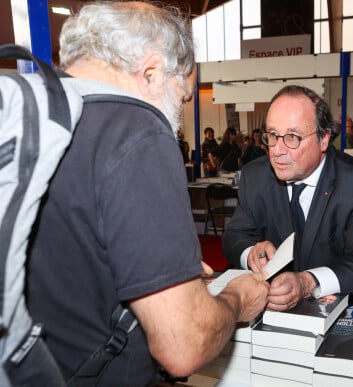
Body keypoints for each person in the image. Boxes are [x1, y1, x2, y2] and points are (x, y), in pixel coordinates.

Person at [26, 3, 269, 386]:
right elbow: (183, 345)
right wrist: (238, 298)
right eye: (184, 96)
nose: (179, 115)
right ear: (152, 72)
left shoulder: (28, 116)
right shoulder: (134, 131)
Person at [222, 85, 353, 312]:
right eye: (272, 135)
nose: (277, 150)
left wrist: (308, 282)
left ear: (324, 139)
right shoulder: (254, 175)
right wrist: (250, 253)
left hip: (339, 306)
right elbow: (235, 235)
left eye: (292, 137)